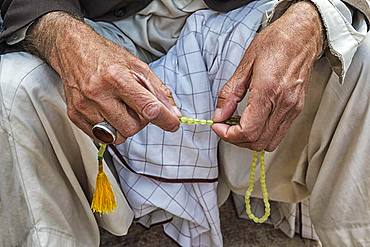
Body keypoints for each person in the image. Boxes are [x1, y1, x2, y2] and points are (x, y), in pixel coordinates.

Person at [0, 0, 369, 246]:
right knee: (12, 87)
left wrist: (309, 18)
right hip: (95, 25)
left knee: (362, 60)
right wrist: (60, 34)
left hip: (253, 17)